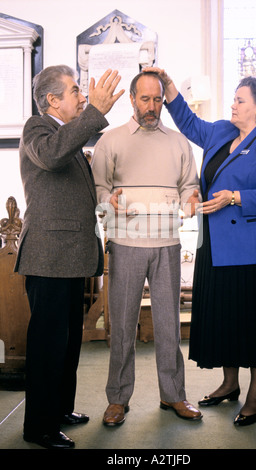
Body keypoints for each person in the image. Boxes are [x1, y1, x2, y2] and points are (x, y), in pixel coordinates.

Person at [145, 67, 256, 426]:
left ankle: (255, 396)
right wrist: (168, 86)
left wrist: (235, 197)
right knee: (228, 318)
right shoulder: (221, 132)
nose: (232, 104)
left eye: (239, 100)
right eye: (233, 98)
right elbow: (188, 121)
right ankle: (229, 384)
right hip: (217, 245)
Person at [15, 65, 124, 448]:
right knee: (48, 345)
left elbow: (71, 189)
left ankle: (59, 409)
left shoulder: (68, 137)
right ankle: (39, 428)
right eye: (76, 91)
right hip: (48, 258)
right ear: (52, 100)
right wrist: (95, 111)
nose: (82, 97)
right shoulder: (37, 128)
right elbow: (53, 155)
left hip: (70, 256)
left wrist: (102, 199)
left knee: (67, 343)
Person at [92, 71, 203, 426]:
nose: (152, 107)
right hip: (125, 244)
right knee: (122, 324)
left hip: (168, 243)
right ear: (132, 99)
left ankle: (174, 396)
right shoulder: (110, 141)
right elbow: (97, 190)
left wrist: (190, 199)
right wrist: (110, 199)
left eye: (158, 100)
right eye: (145, 99)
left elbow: (189, 185)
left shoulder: (178, 141)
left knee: (168, 323)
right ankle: (117, 400)